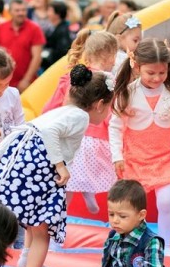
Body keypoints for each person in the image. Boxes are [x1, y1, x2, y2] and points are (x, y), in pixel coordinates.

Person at [0, 64, 115, 267]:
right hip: (38, 172)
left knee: (31, 221)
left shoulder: (61, 111)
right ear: (100, 105)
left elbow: (23, 129)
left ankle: (25, 259)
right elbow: (48, 134)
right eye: (109, 107)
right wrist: (60, 166)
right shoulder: (80, 116)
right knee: (42, 229)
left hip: (18, 167)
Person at [109, 38, 170, 257]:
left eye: (162, 73)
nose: (157, 78)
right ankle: (126, 243)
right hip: (135, 157)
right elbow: (116, 127)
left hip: (164, 157)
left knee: (166, 201)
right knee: (130, 205)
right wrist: (117, 156)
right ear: (137, 66)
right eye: (151, 73)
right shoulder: (127, 93)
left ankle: (165, 245)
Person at [50, 179, 165, 267]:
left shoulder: (151, 241)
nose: (115, 220)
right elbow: (107, 265)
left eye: (122, 216)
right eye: (111, 214)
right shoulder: (113, 236)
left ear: (141, 215)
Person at [43, 30, 118, 215]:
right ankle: (88, 192)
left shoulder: (74, 76)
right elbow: (110, 111)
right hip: (96, 138)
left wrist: (45, 118)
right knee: (89, 170)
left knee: (66, 183)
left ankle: (59, 224)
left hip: (72, 138)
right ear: (108, 55)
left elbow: (53, 103)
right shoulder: (106, 80)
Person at [0, 0, 46, 92]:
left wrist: (26, 80)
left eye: (23, 10)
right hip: (3, 83)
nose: (21, 13)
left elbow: (37, 57)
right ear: (10, 12)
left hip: (26, 84)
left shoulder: (35, 29)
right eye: (17, 10)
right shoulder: (0, 28)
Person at [105, 11, 142, 76]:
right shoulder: (121, 60)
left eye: (140, 40)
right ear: (118, 39)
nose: (139, 44)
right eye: (135, 40)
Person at [41, 1, 72, 71]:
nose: (47, 13)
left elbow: (61, 52)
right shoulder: (55, 27)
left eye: (50, 11)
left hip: (56, 68)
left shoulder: (62, 31)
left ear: (57, 14)